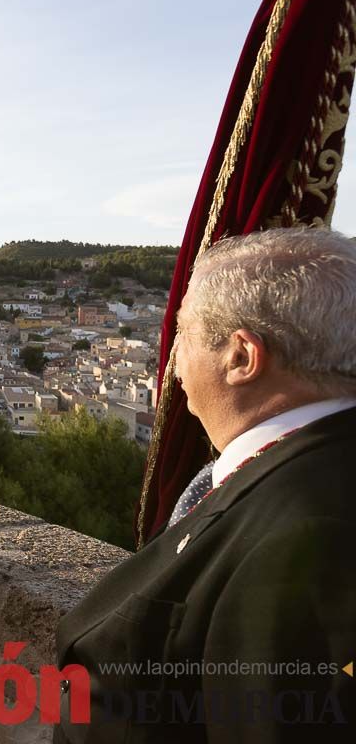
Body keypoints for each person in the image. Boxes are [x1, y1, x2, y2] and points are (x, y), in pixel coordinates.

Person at [54, 227, 356, 742]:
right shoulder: (309, 469)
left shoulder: (315, 537)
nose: (170, 362)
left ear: (241, 357)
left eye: (183, 334)